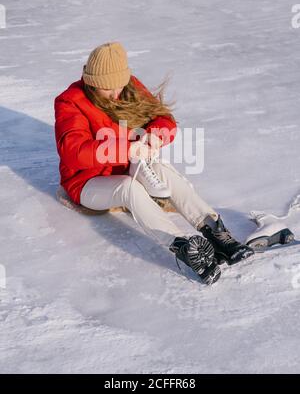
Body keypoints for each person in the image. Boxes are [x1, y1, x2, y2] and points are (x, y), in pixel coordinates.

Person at [54, 42, 254, 285]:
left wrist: (155, 136)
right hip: (87, 181)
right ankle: (185, 248)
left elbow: (165, 120)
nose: (116, 93)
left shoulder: (128, 86)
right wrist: (127, 149)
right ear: (92, 81)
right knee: (129, 188)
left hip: (130, 164)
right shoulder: (69, 102)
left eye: (120, 85)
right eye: (108, 89)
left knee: (161, 169)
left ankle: (216, 231)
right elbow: (73, 152)